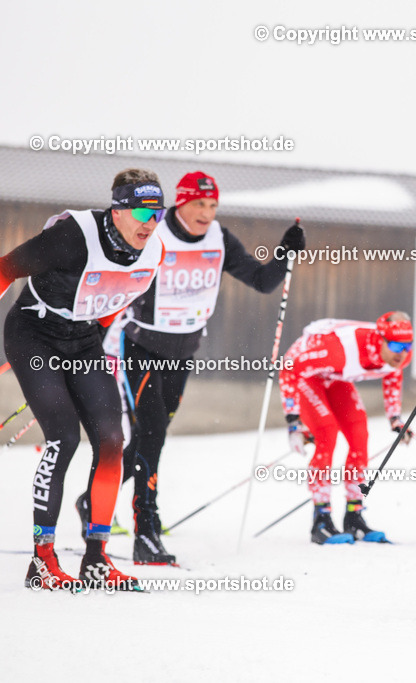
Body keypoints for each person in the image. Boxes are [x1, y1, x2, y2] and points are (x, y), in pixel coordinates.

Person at [74, 171, 306, 567]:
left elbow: (262, 281)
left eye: (213, 205)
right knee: (152, 431)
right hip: (142, 346)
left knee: (150, 436)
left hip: (182, 352)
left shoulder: (220, 239)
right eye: (199, 203)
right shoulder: (154, 232)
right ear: (180, 202)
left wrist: (286, 251)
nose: (206, 213)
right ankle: (146, 530)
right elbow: (112, 276)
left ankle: (91, 500)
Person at [0, 168, 167, 590]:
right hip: (34, 332)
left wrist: (94, 332)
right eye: (143, 212)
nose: (150, 223)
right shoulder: (74, 236)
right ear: (118, 210)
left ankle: (96, 559)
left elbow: (118, 295)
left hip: (82, 339)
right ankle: (42, 560)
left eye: (158, 214)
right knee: (64, 437)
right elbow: (6, 268)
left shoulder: (154, 251)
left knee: (112, 441)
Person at [278, 313, 414, 545]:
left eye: (407, 346)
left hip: (336, 376)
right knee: (327, 433)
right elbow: (289, 367)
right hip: (308, 376)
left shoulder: (398, 356)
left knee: (359, 434)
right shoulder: (338, 349)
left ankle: (354, 516)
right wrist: (293, 422)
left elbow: (393, 377)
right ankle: (321, 519)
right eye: (395, 346)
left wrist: (395, 420)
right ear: (380, 339)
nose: (402, 353)